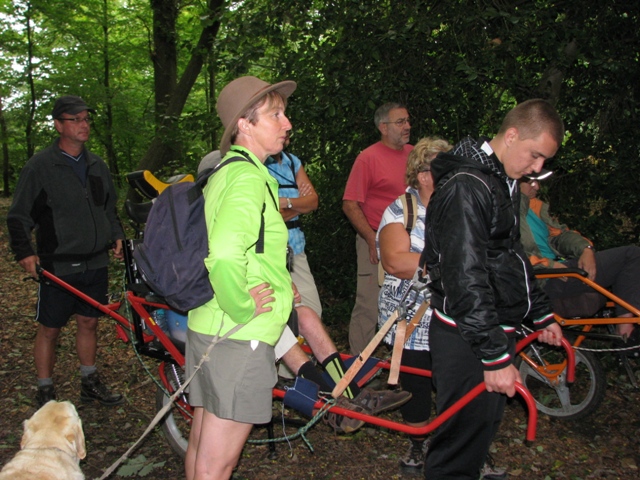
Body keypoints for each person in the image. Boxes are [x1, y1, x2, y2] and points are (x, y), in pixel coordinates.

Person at [195, 152, 411, 436]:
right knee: (281, 329)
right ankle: (330, 400)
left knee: (306, 314)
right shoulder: (215, 214)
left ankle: (353, 394)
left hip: (258, 292)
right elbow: (225, 263)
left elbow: (304, 210)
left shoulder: (235, 207)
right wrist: (246, 303)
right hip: (230, 312)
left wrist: (282, 283)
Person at [422, 99, 565, 479]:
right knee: (458, 449)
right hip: (466, 337)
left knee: (476, 440)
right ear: (513, 134)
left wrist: (540, 311)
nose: (537, 168)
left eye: (543, 162)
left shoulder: (499, 179)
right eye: (535, 156)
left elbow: (509, 254)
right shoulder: (467, 186)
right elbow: (463, 276)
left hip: (491, 330)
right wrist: (493, 356)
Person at [184, 76, 296, 480]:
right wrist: (244, 306)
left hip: (213, 326)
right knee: (218, 463)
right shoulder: (246, 178)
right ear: (244, 125)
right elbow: (226, 255)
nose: (287, 124)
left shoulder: (229, 172)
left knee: (202, 451)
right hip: (236, 334)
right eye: (275, 115)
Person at [377, 137, 507, 478]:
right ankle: (418, 443)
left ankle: (468, 447)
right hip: (411, 314)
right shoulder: (401, 209)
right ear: (422, 174)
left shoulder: (465, 201)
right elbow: (393, 260)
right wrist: (453, 263)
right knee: (416, 382)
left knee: (461, 386)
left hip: (456, 311)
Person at [7, 95, 125, 408]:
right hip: (59, 265)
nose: (83, 125)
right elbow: (18, 215)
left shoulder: (97, 164)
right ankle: (45, 390)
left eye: (86, 119)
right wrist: (25, 253)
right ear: (59, 125)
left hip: (95, 261)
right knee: (50, 328)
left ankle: (89, 382)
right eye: (75, 119)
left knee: (89, 322)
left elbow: (108, 207)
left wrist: (116, 235)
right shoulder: (41, 166)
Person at [519, 175, 640, 342]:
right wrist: (549, 265)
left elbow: (560, 235)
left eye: (537, 182)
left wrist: (586, 249)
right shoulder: (505, 209)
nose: (537, 187)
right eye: (531, 182)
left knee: (625, 265)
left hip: (560, 269)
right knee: (631, 255)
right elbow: (509, 252)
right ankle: (625, 329)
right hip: (541, 279)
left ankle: (626, 327)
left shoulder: (535, 206)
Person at [343, 102, 413, 355]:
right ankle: (357, 372)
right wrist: (371, 239)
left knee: (410, 303)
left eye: (407, 120)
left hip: (412, 243)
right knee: (368, 305)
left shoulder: (416, 156)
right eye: (400, 122)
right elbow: (350, 203)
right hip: (374, 239)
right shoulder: (368, 158)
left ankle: (406, 366)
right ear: (383, 127)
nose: (407, 126)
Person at [265, 132, 322, 318]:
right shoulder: (257, 164)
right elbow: (267, 217)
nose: (285, 133)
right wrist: (300, 205)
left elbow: (313, 202)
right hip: (269, 254)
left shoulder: (292, 161)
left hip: (296, 250)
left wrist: (286, 202)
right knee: (280, 315)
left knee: (313, 311)